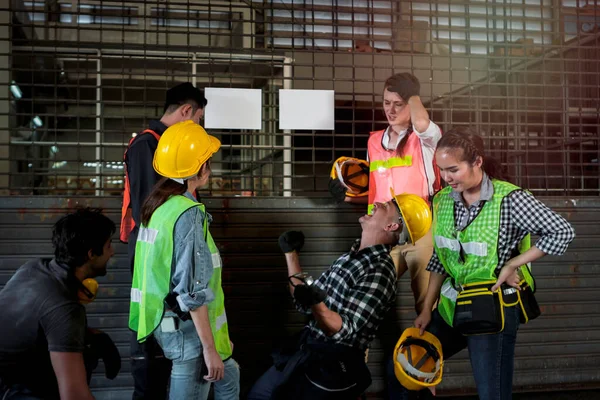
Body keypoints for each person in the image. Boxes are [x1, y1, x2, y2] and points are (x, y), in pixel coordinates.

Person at [388, 127, 575, 400]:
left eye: (453, 169)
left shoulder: (510, 199)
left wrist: (513, 265)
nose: (447, 178)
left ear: (477, 162)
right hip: (452, 310)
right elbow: (442, 257)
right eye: (441, 170)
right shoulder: (442, 201)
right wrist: (427, 309)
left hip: (492, 310)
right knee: (404, 371)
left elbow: (562, 231)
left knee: (492, 394)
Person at [247, 191, 433, 400]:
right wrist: (291, 254)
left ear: (392, 226)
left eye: (387, 206)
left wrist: (316, 302)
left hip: (330, 368)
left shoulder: (380, 271)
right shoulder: (350, 257)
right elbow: (304, 301)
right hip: (305, 350)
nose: (377, 204)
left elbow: (343, 330)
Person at [129, 120, 240, 399]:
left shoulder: (157, 206)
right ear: (200, 169)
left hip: (162, 322)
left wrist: (220, 347)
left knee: (230, 377)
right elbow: (191, 290)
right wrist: (210, 348)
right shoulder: (188, 213)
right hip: (187, 331)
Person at [120, 82, 208, 400]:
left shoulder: (162, 143)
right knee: (149, 339)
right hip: (152, 251)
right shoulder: (148, 144)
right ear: (186, 111)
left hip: (168, 248)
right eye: (198, 119)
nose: (197, 127)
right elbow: (149, 205)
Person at [330, 72, 442, 315]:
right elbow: (377, 190)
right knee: (359, 300)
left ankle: (425, 350)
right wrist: (347, 196)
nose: (390, 110)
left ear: (411, 103)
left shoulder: (424, 139)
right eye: (386, 102)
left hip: (420, 231)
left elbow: (422, 123)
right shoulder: (373, 142)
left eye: (398, 104)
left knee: (427, 308)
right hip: (381, 232)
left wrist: (412, 94)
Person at [0, 208, 120, 400]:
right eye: (108, 246)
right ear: (91, 254)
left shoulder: (34, 268)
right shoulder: (64, 308)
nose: (112, 252)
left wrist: (92, 334)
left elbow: (39, 324)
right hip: (12, 389)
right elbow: (75, 396)